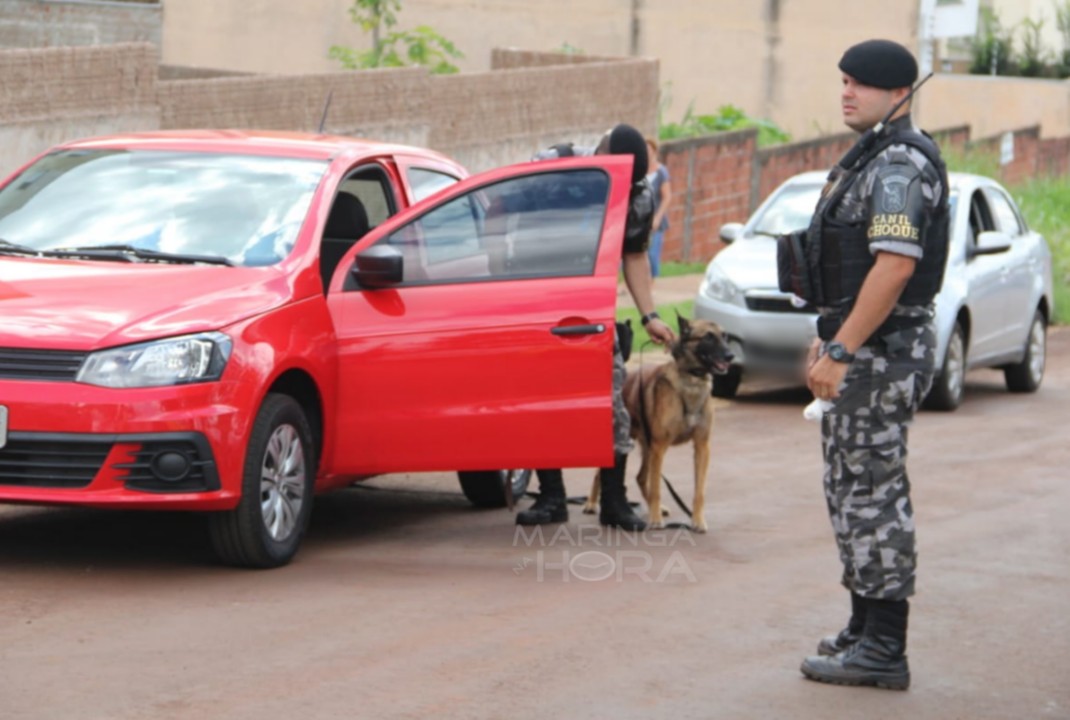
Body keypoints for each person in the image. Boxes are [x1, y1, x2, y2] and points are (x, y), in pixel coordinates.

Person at [797, 39, 950, 690]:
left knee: (873, 495)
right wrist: (830, 333)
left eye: (862, 83)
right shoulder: (875, 156)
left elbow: (894, 265)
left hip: (879, 356)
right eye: (845, 81)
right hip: (867, 350)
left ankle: (885, 649)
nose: (848, 91)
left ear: (899, 94)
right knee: (850, 490)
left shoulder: (897, 165)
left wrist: (842, 347)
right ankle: (865, 626)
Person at [516, 123, 676, 531]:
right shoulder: (556, 168)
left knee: (612, 409)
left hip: (593, 317)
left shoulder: (637, 193)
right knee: (543, 404)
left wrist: (650, 316)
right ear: (603, 152)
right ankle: (551, 497)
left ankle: (615, 502)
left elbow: (635, 256)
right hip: (541, 307)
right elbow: (511, 227)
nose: (627, 185)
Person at [645, 137, 672, 281]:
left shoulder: (661, 172)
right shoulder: (640, 170)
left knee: (652, 253)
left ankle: (651, 284)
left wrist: (657, 217)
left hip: (656, 221)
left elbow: (667, 197)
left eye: (648, 150)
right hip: (642, 219)